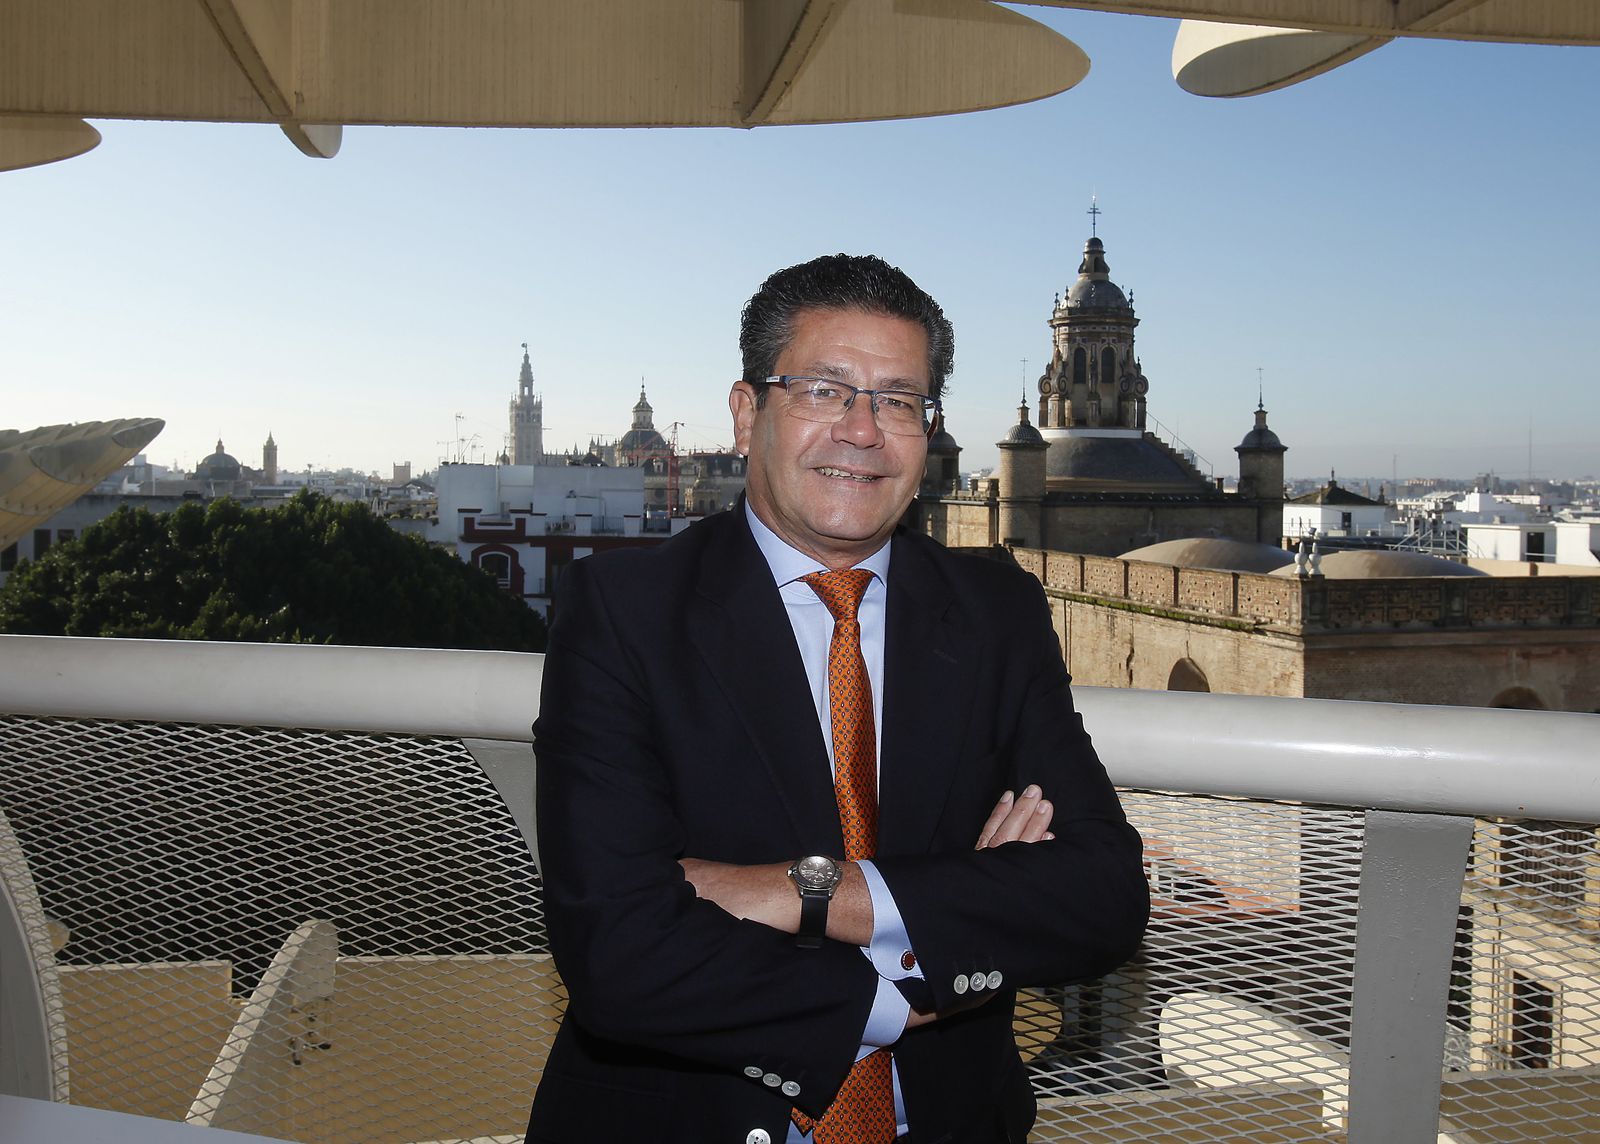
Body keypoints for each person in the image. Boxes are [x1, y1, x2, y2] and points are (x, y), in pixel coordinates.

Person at [527, 254, 1148, 1144]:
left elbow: (1101, 895)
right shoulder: (624, 613)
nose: (863, 431)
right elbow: (619, 956)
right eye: (825, 390)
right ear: (748, 414)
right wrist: (930, 952)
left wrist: (805, 893)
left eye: (899, 401)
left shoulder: (994, 612)